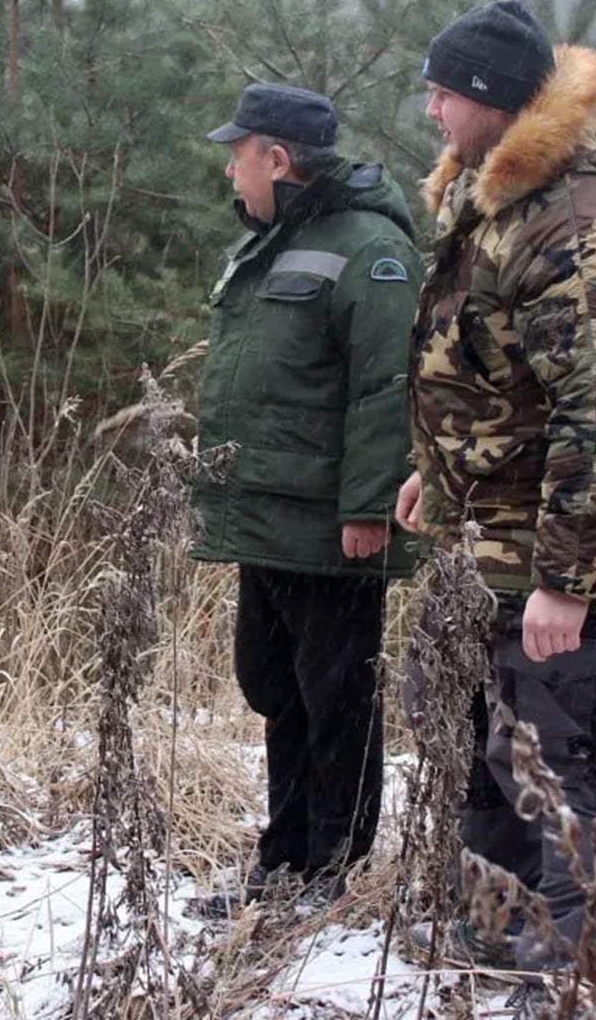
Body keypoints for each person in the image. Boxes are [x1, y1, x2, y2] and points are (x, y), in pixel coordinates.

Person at [392, 0, 596, 1003]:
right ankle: (497, 922)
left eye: (443, 94)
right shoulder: (495, 202)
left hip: (545, 556)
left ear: (495, 102)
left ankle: (571, 960)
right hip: (480, 536)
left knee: (554, 768)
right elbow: (490, 370)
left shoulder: (580, 220)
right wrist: (441, 465)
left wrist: (566, 578)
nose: (429, 112)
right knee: (472, 745)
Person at [188, 82, 424, 917]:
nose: (230, 170)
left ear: (278, 159)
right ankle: (281, 859)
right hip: (266, 517)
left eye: (239, 153)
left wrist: (367, 507)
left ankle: (332, 868)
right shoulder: (265, 245)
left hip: (332, 525)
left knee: (335, 695)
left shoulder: (369, 248)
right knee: (272, 682)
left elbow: (386, 386)